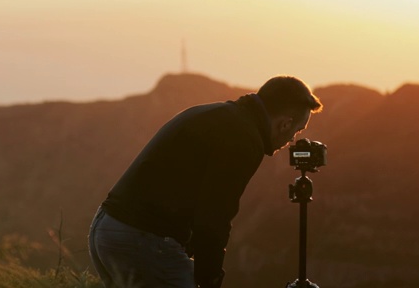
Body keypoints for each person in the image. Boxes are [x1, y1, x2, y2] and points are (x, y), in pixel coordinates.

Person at [88, 76, 323, 288]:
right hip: (141, 239)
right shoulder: (243, 139)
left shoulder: (219, 115)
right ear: (284, 123)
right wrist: (209, 278)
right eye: (297, 131)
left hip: (107, 229)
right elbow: (215, 216)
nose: (292, 139)